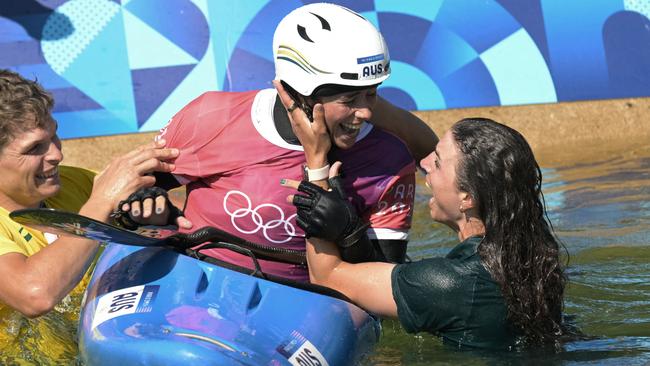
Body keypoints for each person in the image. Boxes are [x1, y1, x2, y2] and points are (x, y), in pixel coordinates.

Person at [131, 3, 438, 282]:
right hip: (198, 281)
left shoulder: (389, 160)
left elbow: (386, 288)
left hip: (307, 310)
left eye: (372, 93)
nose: (367, 112)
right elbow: (134, 190)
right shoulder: (210, 117)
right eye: (349, 99)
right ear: (301, 91)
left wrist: (349, 234)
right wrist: (149, 204)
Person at [282, 118, 568, 349]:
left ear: (468, 197)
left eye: (439, 161)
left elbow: (326, 277)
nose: (424, 162)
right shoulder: (532, 253)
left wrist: (316, 165)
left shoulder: (451, 283)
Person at [0, 69, 179, 358]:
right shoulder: (94, 194)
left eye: (54, 135)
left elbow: (157, 229)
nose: (57, 154)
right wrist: (102, 201)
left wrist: (153, 216)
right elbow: (35, 295)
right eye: (35, 148)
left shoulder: (76, 182)